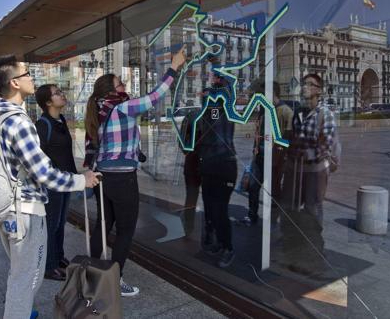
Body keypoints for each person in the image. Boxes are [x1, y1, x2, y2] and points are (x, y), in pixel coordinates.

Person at [0, 55, 100, 319]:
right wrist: (82, 180)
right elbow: (44, 173)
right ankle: (18, 313)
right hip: (24, 209)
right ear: (14, 83)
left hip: (5, 207)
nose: (31, 79)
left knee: (20, 273)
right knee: (28, 277)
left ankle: (22, 310)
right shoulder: (18, 122)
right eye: (27, 75)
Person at [83, 46, 187, 296]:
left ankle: (91, 277)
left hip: (101, 177)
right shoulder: (121, 108)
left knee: (102, 227)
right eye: (120, 85)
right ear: (110, 91)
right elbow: (154, 97)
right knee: (126, 230)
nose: (124, 87)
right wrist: (173, 68)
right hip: (122, 178)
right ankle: (114, 280)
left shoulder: (99, 110)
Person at [281, 73, 337, 275]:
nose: (304, 88)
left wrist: (301, 153)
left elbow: (325, 147)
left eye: (309, 84)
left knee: (313, 214)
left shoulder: (325, 114)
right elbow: (293, 142)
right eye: (303, 84)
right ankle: (299, 255)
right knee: (296, 213)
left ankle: (315, 260)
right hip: (297, 172)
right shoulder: (299, 114)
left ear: (318, 90)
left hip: (315, 172)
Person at [34, 84, 77, 281]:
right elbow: (38, 159)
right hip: (52, 185)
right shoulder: (43, 125)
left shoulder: (59, 120)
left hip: (66, 181)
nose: (62, 95)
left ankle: (58, 257)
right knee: (51, 225)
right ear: (48, 102)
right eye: (57, 93)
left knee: (60, 224)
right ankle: (49, 266)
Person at [196, 74, 238, 268]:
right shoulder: (209, 112)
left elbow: (225, 93)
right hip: (210, 164)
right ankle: (221, 243)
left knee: (220, 209)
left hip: (224, 164)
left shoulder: (222, 110)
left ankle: (228, 247)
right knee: (211, 209)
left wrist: (215, 88)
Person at [242, 81, 293, 226]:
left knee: (274, 191)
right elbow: (259, 132)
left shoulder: (286, 111)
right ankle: (252, 216)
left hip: (276, 159)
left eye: (264, 93)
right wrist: (254, 149)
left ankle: (273, 222)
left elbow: (289, 138)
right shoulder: (264, 110)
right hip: (260, 156)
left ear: (273, 93)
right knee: (253, 186)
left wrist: (283, 157)